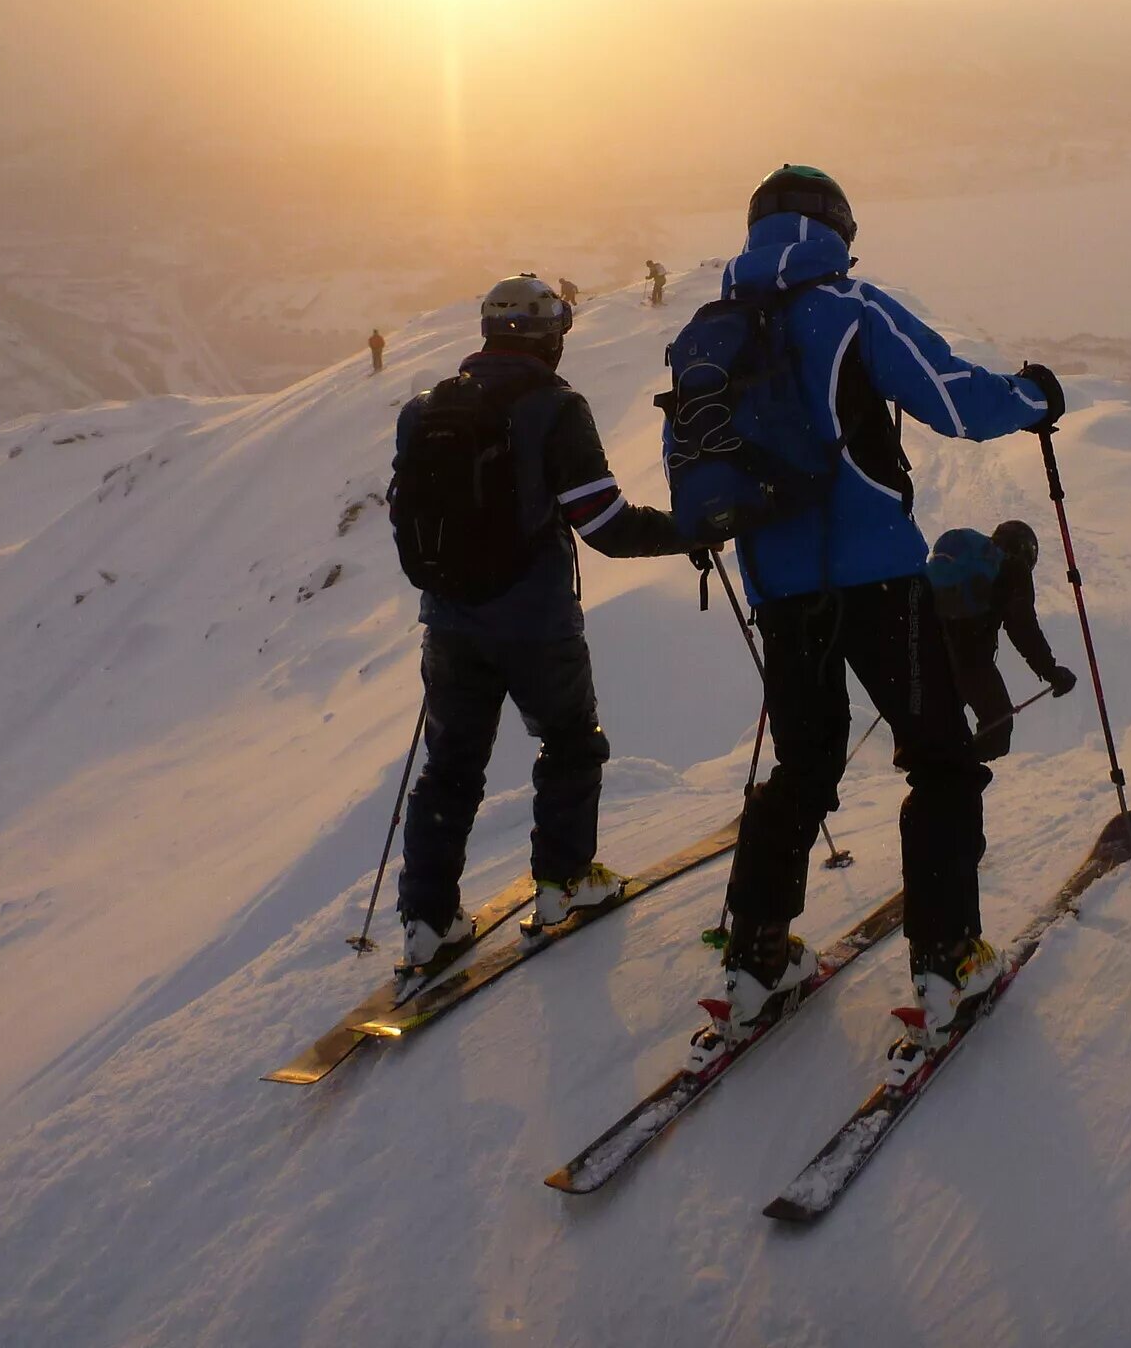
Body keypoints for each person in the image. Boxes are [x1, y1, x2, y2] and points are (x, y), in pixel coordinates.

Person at [679, 166, 1065, 1047]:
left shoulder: (711, 332)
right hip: (882, 584)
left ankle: (756, 959)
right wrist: (1037, 397)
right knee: (938, 761)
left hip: (780, 592)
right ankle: (948, 960)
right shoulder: (850, 308)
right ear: (837, 230)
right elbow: (954, 398)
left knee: (805, 769)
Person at [388, 274, 697, 996]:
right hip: (535, 621)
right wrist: (688, 533)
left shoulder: (423, 410)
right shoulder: (555, 408)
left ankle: (427, 920)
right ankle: (563, 882)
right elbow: (603, 524)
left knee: (450, 766)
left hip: (450, 622)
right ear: (550, 335)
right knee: (570, 742)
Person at [929, 520, 1078, 761]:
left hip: (932, 651)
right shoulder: (1012, 569)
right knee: (997, 730)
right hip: (972, 658)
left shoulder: (971, 565)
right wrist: (1051, 672)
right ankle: (954, 776)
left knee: (948, 728)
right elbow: (1023, 629)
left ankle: (938, 778)